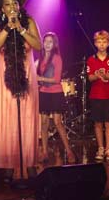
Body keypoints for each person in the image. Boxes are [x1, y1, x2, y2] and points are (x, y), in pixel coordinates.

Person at [0, 0, 41, 182]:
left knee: (27, 118)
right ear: (2, 8)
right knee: (8, 117)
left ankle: (29, 161)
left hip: (27, 74)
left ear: (20, 5)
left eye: (15, 4)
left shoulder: (29, 21)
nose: (12, 7)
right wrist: (7, 28)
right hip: (6, 76)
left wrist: (19, 28)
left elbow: (37, 44)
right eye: (8, 5)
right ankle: (9, 162)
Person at [36, 32, 76, 164]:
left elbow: (57, 79)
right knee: (44, 123)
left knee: (58, 123)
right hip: (43, 92)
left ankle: (69, 151)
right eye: (45, 41)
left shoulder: (57, 58)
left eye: (50, 42)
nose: (47, 44)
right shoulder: (40, 58)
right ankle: (45, 152)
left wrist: (40, 78)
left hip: (55, 93)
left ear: (54, 44)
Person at [87, 30, 109, 161]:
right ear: (95, 43)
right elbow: (90, 77)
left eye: (104, 41)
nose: (101, 44)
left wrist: (108, 76)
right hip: (96, 96)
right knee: (98, 124)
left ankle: (108, 148)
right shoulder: (91, 59)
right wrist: (97, 75)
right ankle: (100, 148)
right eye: (99, 41)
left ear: (108, 43)